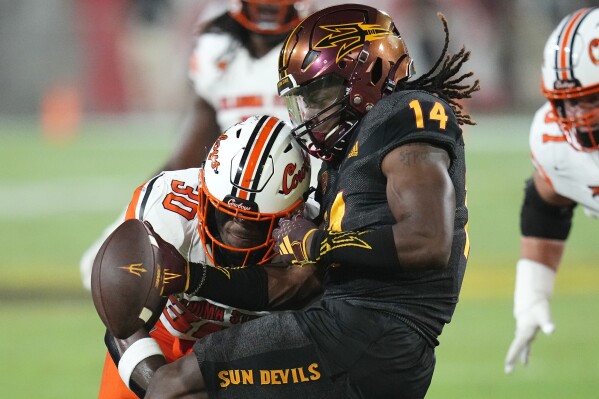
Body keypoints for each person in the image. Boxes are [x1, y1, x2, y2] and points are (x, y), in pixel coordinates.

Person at [144, 4, 479, 398]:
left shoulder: (405, 114)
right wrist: (191, 277)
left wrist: (315, 243)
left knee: (172, 386)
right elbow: (294, 284)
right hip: (364, 335)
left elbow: (427, 240)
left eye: (318, 91)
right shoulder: (346, 155)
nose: (310, 110)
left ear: (368, 71)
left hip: (368, 331)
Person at [79, 0, 315, 291]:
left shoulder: (316, 45)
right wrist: (138, 209)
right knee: (102, 264)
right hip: (229, 194)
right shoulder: (216, 43)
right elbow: (190, 149)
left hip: (299, 195)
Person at [97, 115, 321, 398]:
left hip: (244, 362)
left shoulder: (306, 238)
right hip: (161, 340)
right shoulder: (165, 213)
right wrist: (161, 388)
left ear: (293, 214)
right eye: (226, 211)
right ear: (205, 192)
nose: (237, 225)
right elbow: (121, 317)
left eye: (257, 220)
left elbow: (308, 303)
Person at [504, 7, 599, 374]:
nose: (577, 115)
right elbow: (546, 203)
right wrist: (532, 294)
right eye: (568, 101)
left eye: (590, 99)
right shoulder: (553, 140)